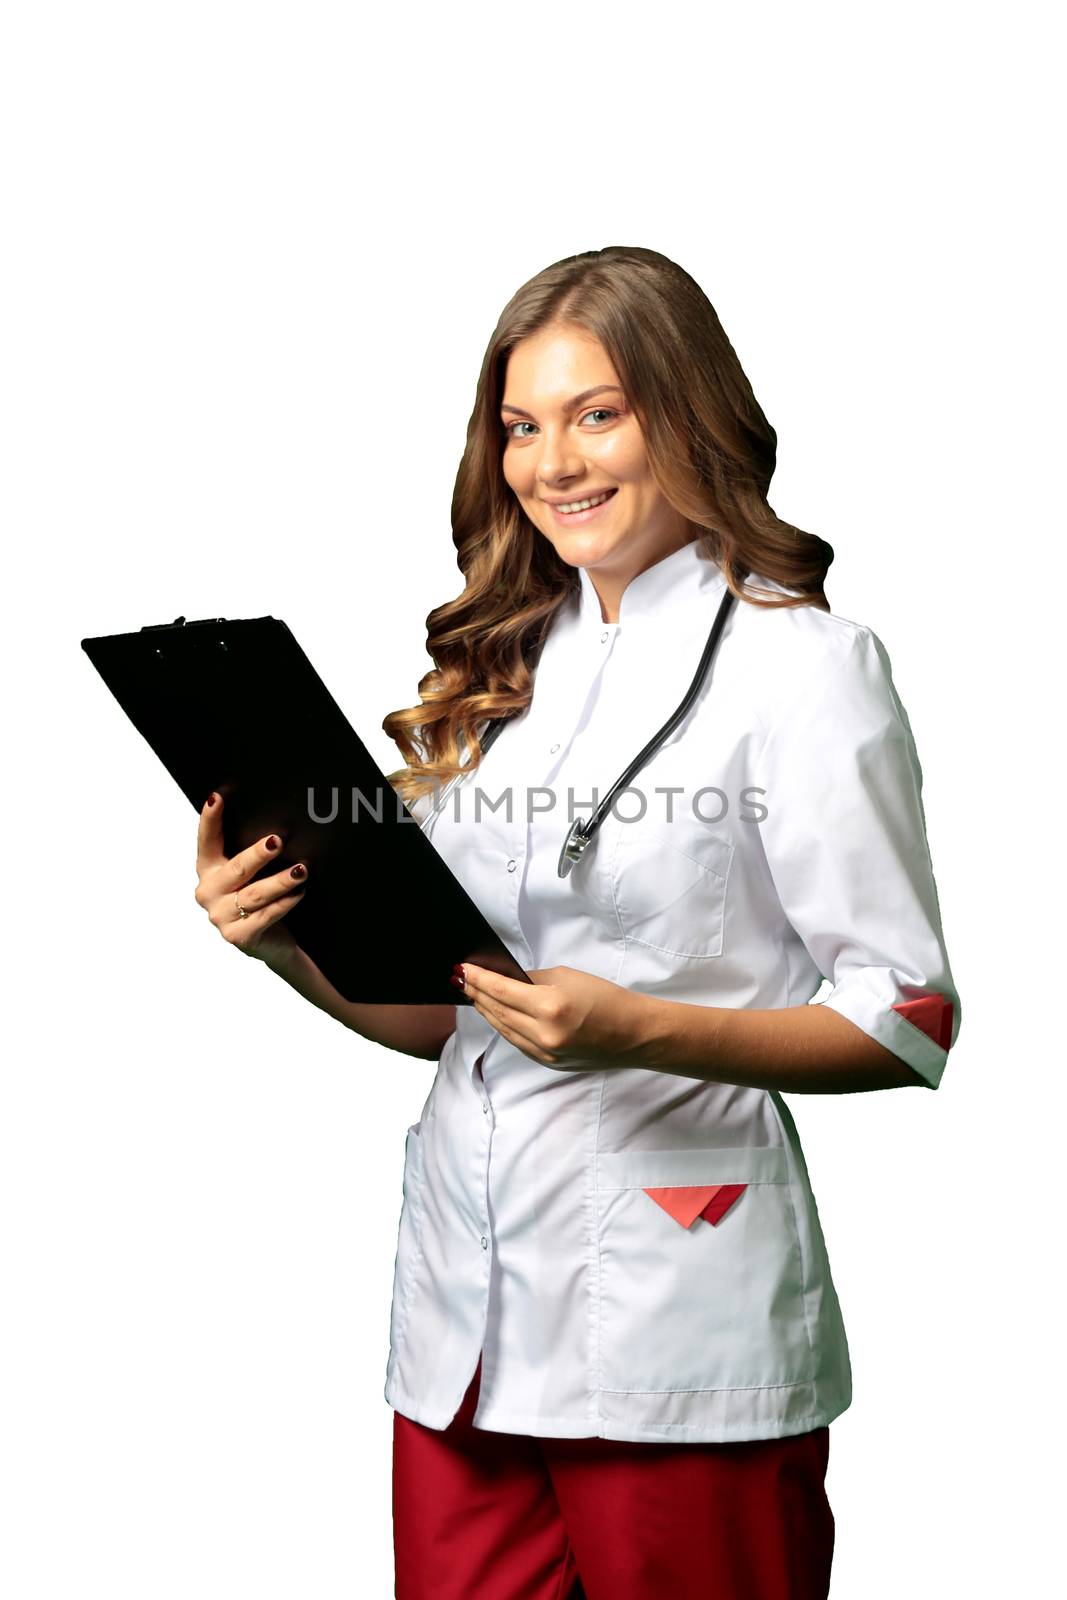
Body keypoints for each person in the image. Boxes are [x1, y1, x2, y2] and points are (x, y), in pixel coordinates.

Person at [194, 246, 961, 1599]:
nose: (552, 463)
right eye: (520, 426)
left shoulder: (805, 667)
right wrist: (284, 948)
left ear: (688, 411)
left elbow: (906, 1018)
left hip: (675, 1303)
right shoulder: (501, 676)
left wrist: (636, 1029)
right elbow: (449, 1016)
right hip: (466, 1319)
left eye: (597, 412)